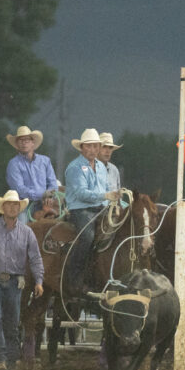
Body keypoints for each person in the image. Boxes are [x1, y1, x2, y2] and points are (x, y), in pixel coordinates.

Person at [0, 190, 44, 370]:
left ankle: (10, 359)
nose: (13, 207)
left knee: (12, 321)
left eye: (15, 205)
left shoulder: (27, 232)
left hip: (14, 280)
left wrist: (39, 280)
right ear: (3, 208)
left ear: (19, 208)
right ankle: (1, 358)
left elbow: (35, 258)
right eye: (9, 204)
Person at [63, 128, 119, 298]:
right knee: (87, 236)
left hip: (100, 209)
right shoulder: (75, 167)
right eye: (89, 146)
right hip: (80, 210)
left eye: (96, 146)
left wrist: (114, 200)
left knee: (116, 232)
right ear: (81, 148)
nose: (93, 150)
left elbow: (107, 189)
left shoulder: (101, 167)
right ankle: (74, 277)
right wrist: (105, 196)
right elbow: (81, 193)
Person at [5, 126, 58, 225]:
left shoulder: (45, 161)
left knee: (61, 223)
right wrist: (43, 194)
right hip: (24, 205)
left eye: (27, 140)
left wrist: (50, 196)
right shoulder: (13, 164)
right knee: (22, 225)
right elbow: (19, 189)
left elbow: (53, 183)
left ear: (33, 143)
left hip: (45, 203)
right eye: (21, 140)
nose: (24, 142)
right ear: (17, 144)